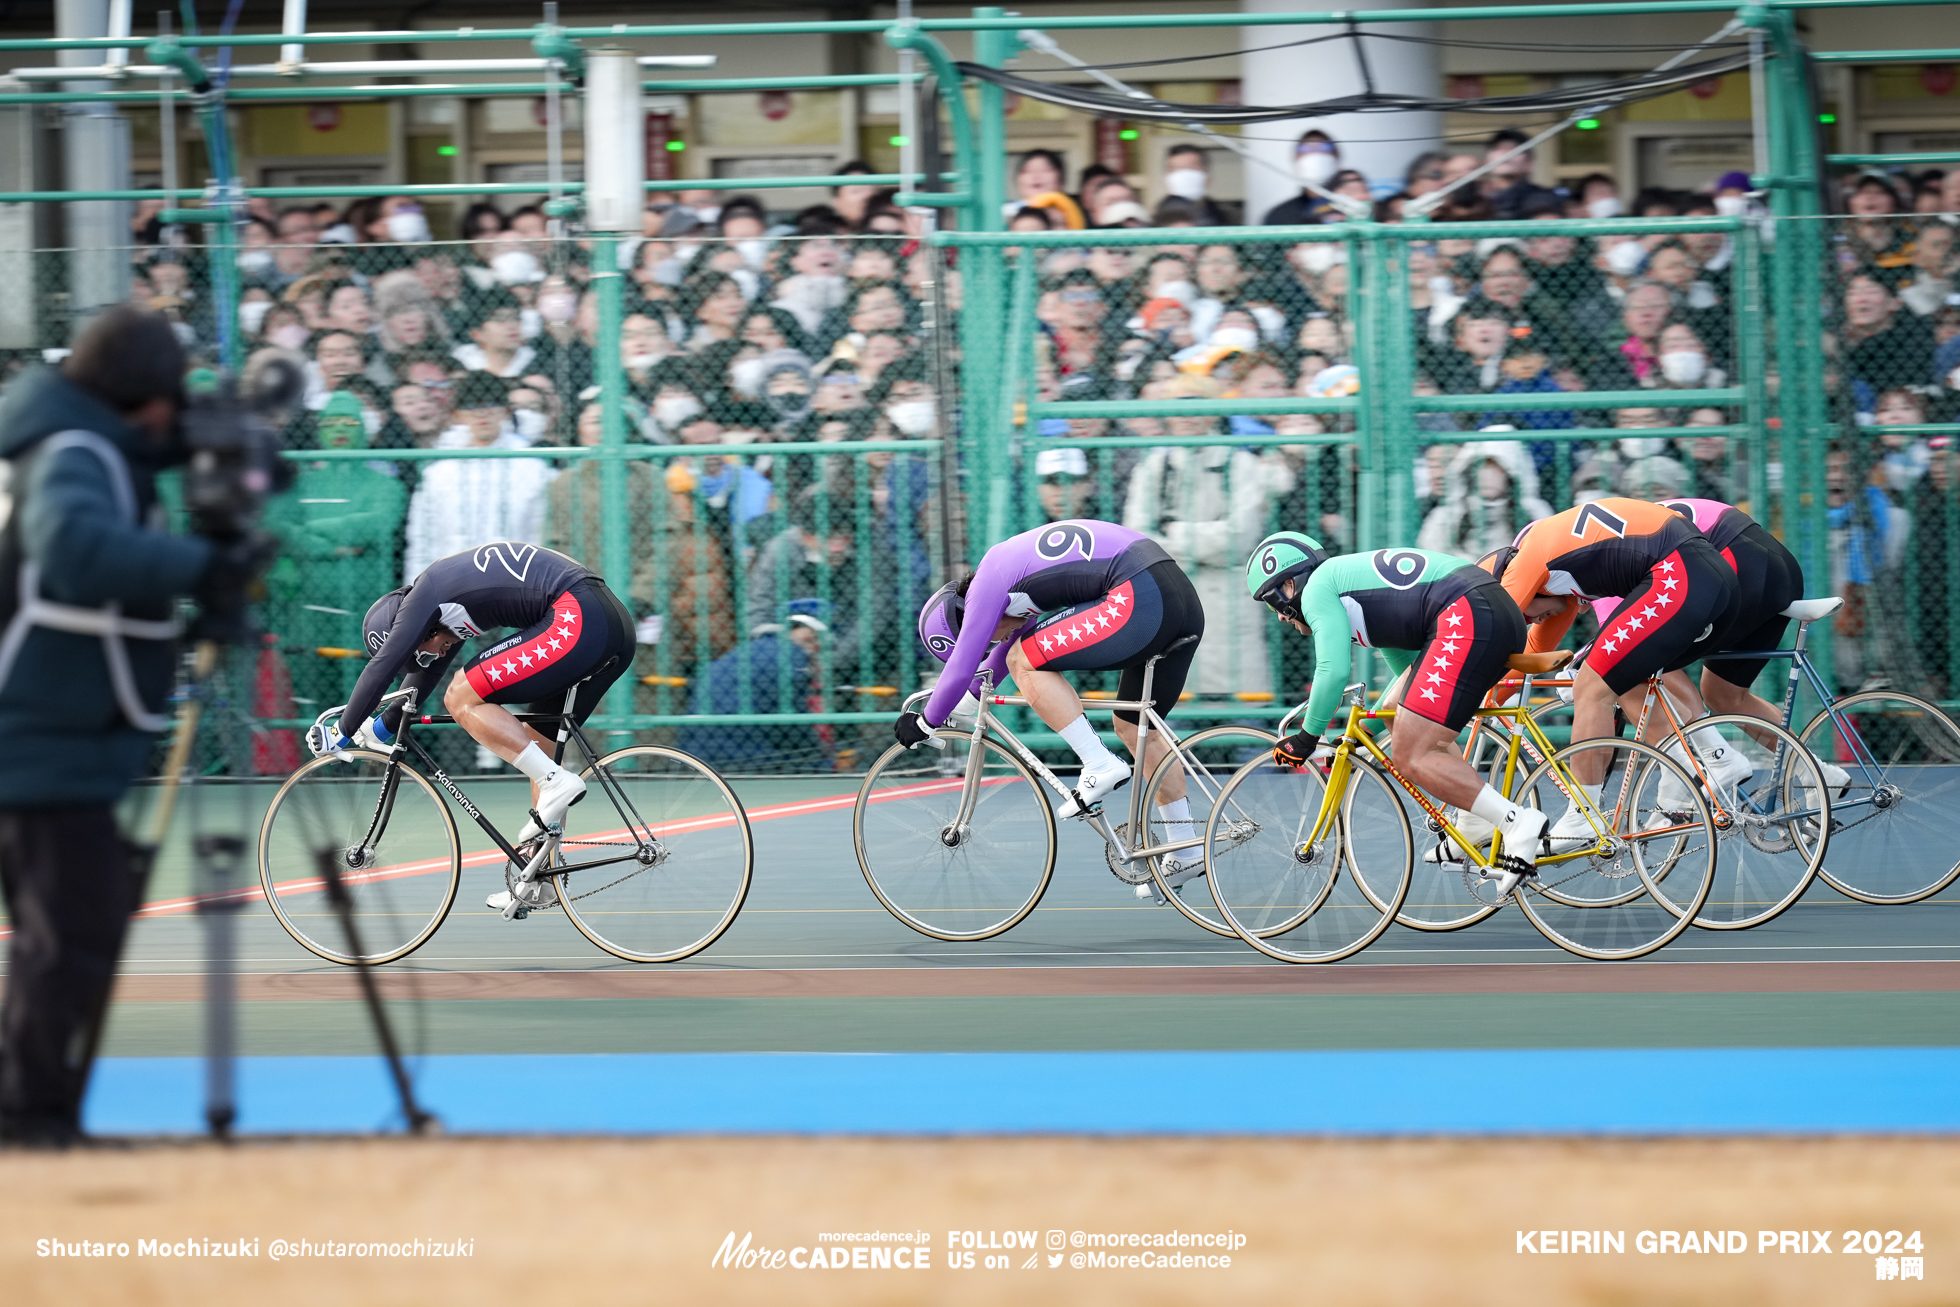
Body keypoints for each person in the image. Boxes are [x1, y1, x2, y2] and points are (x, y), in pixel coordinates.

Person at [0, 307, 267, 1146]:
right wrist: (205, 566)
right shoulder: (73, 457)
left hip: (48, 735)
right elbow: (75, 550)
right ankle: (29, 1119)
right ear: (136, 397)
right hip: (37, 739)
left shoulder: (70, 439)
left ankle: (37, 1113)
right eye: (166, 401)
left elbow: (132, 462)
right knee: (71, 933)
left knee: (71, 928)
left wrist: (202, 443)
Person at [897, 519, 1209, 894]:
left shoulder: (986, 585)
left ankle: (1099, 763)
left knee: (1023, 660)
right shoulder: (1017, 588)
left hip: (1139, 592)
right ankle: (1186, 847)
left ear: (967, 619)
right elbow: (994, 664)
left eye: (981, 639)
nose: (990, 643)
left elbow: (970, 666)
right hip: (1174, 593)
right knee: (1133, 724)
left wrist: (926, 721)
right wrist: (966, 700)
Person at [327, 543, 636, 915]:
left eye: (421, 650)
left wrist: (340, 732)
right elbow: (422, 681)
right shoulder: (450, 613)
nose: (432, 656)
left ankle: (557, 782)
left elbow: (383, 666)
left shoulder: (426, 593)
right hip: (610, 621)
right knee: (537, 747)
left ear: (414, 628)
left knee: (460, 697)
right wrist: (382, 726)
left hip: (577, 616)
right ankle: (540, 880)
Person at [1247, 534, 1547, 892]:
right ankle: (1474, 818)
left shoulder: (1317, 590)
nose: (1280, 618)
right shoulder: (1352, 589)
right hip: (1481, 608)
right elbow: (1406, 678)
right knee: (1397, 719)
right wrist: (1365, 734)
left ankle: (1515, 822)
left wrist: (1307, 736)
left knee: (1410, 754)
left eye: (1273, 603)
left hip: (1466, 612)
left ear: (1289, 584)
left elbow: (1332, 669)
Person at [1484, 498, 1741, 855]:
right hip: (1709, 575)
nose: (1530, 620)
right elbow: (1527, 654)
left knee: (1590, 687)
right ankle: (1691, 768)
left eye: (1528, 613)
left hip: (1678, 571)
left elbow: (1491, 631)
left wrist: (1465, 690)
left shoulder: (1525, 559)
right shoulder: (1563, 593)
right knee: (1625, 675)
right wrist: (1493, 692)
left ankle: (1583, 816)